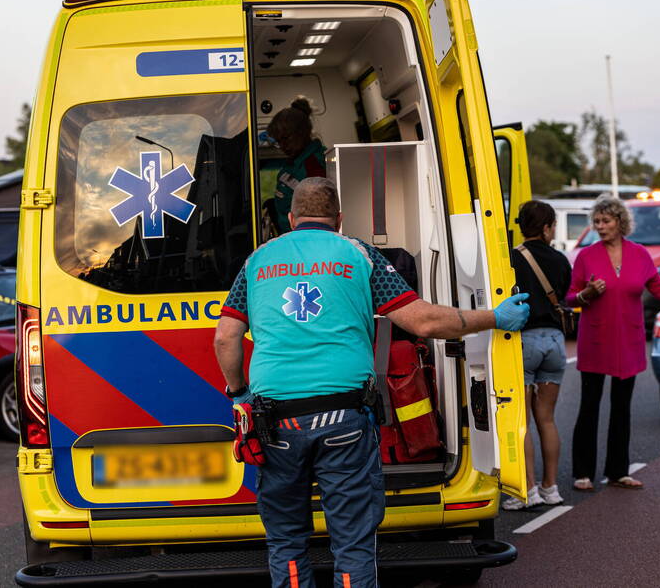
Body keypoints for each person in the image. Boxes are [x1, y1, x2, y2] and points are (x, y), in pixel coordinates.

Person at [214, 177, 530, 588]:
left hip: (277, 422)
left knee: (287, 542)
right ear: (339, 219)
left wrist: (240, 394)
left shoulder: (258, 260)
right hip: (343, 417)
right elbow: (423, 321)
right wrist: (495, 316)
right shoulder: (357, 254)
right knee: (353, 544)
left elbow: (225, 337)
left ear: (290, 219)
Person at [566, 196, 660, 492]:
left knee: (622, 407)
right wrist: (587, 294)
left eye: (606, 221)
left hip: (628, 340)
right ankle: (582, 472)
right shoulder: (586, 256)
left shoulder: (640, 255)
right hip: (595, 339)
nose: (600, 226)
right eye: (597, 222)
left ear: (620, 223)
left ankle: (617, 471)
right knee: (589, 406)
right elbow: (570, 297)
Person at [503, 200, 572, 509]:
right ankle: (551, 487)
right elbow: (566, 292)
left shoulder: (511, 259)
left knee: (522, 421)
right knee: (547, 418)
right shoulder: (560, 260)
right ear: (546, 228)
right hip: (555, 341)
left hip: (525, 341)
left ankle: (527, 490)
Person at [266, 97, 326, 235]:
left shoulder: (314, 166)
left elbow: (317, 218)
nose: (282, 146)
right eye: (278, 141)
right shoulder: (291, 165)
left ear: (303, 132)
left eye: (286, 138)